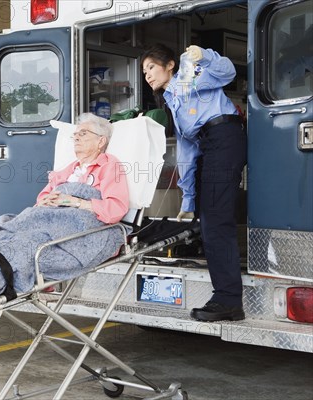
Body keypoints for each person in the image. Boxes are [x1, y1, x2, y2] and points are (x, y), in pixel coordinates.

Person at [141, 43, 247, 322]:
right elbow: (187, 153)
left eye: (151, 67)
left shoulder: (190, 72)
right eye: (144, 72)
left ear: (170, 65)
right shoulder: (172, 103)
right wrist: (187, 200)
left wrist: (205, 55)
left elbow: (227, 73)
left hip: (224, 136)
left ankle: (228, 301)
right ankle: (224, 291)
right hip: (207, 145)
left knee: (216, 220)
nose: (147, 75)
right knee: (206, 215)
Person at [36, 113, 129, 224]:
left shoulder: (108, 165)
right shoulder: (67, 170)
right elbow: (42, 199)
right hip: (47, 218)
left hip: (75, 223)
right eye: (75, 135)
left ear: (101, 141)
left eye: (83, 134)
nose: (76, 137)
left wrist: (75, 202)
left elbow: (115, 210)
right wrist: (43, 202)